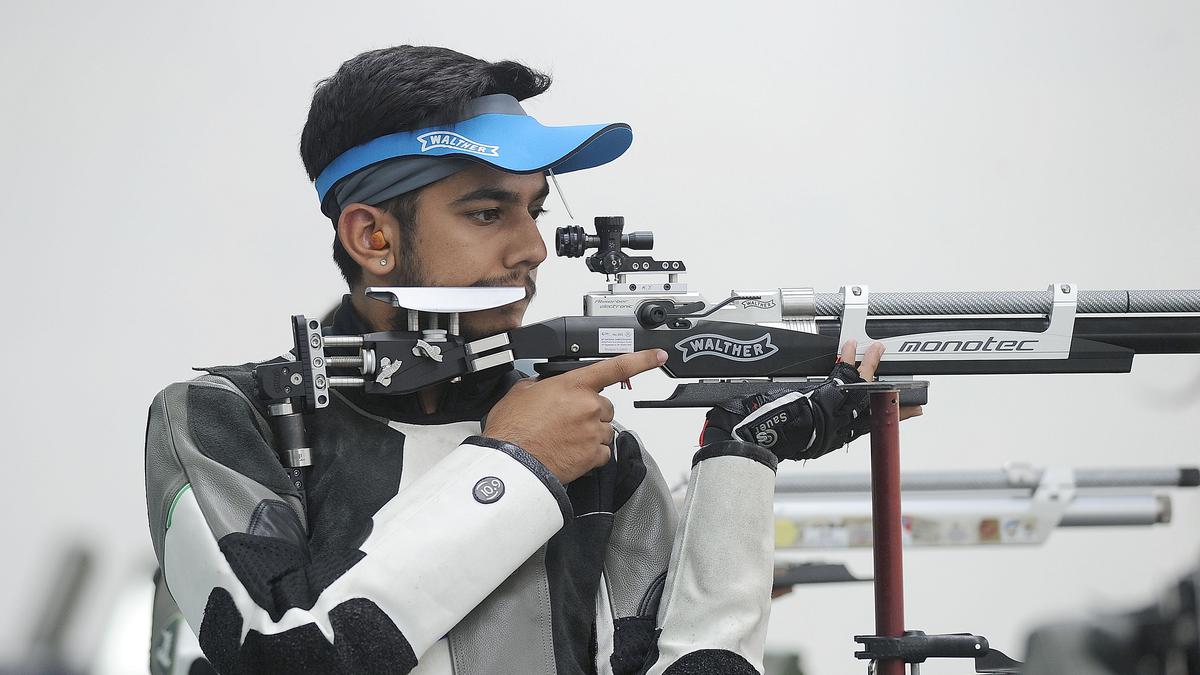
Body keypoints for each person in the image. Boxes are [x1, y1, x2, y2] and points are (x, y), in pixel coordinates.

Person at [144, 45, 917, 675]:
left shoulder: (593, 444)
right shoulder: (222, 417)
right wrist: (514, 464)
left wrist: (741, 462)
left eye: (536, 210)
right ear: (371, 236)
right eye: (487, 212)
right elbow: (279, 658)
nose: (534, 248)